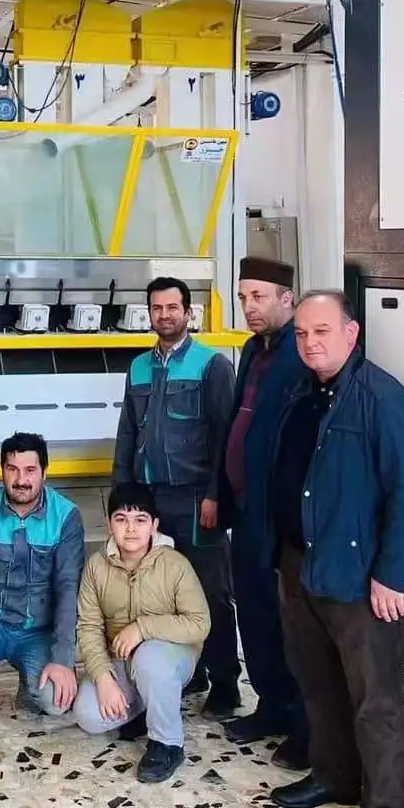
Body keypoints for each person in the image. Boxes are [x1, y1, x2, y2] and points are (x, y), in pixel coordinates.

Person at [267, 290, 404, 808]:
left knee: (375, 699)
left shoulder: (382, 399)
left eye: (322, 331)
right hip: (300, 565)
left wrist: (392, 576)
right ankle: (334, 775)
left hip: (358, 577)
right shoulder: (303, 390)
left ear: (351, 333)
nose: (310, 343)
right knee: (318, 683)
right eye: (302, 334)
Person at [112, 276, 241, 718]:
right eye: (157, 308)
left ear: (188, 313)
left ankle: (225, 683)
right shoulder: (138, 368)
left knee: (210, 592)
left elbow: (226, 439)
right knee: (162, 594)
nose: (164, 315)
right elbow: (127, 434)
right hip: (150, 502)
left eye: (172, 308)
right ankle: (192, 672)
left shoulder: (212, 365)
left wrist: (216, 496)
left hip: (197, 500)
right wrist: (122, 497)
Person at [216, 258, 309, 771]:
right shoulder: (254, 350)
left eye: (259, 297)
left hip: (280, 517)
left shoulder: (300, 353)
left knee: (289, 622)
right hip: (245, 510)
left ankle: (303, 723)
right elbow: (236, 423)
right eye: (243, 297)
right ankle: (271, 705)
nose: (249, 307)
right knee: (253, 613)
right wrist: (220, 493)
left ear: (286, 298)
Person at [0, 433, 86, 754]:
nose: (21, 480)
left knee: (56, 701)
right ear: (2, 471)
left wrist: (63, 660)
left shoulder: (66, 517)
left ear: (44, 472)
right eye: (13, 469)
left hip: (37, 632)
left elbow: (68, 588)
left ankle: (29, 685)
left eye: (30, 470)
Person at [73, 482, 210, 784]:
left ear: (154, 525)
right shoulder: (96, 567)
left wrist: (143, 628)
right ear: (109, 524)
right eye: (121, 519)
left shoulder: (174, 564)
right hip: (122, 660)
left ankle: (167, 743)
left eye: (140, 519)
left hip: (171, 657)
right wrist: (103, 678)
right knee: (89, 715)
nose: (131, 529)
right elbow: (89, 627)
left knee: (150, 658)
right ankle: (148, 706)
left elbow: (200, 623)